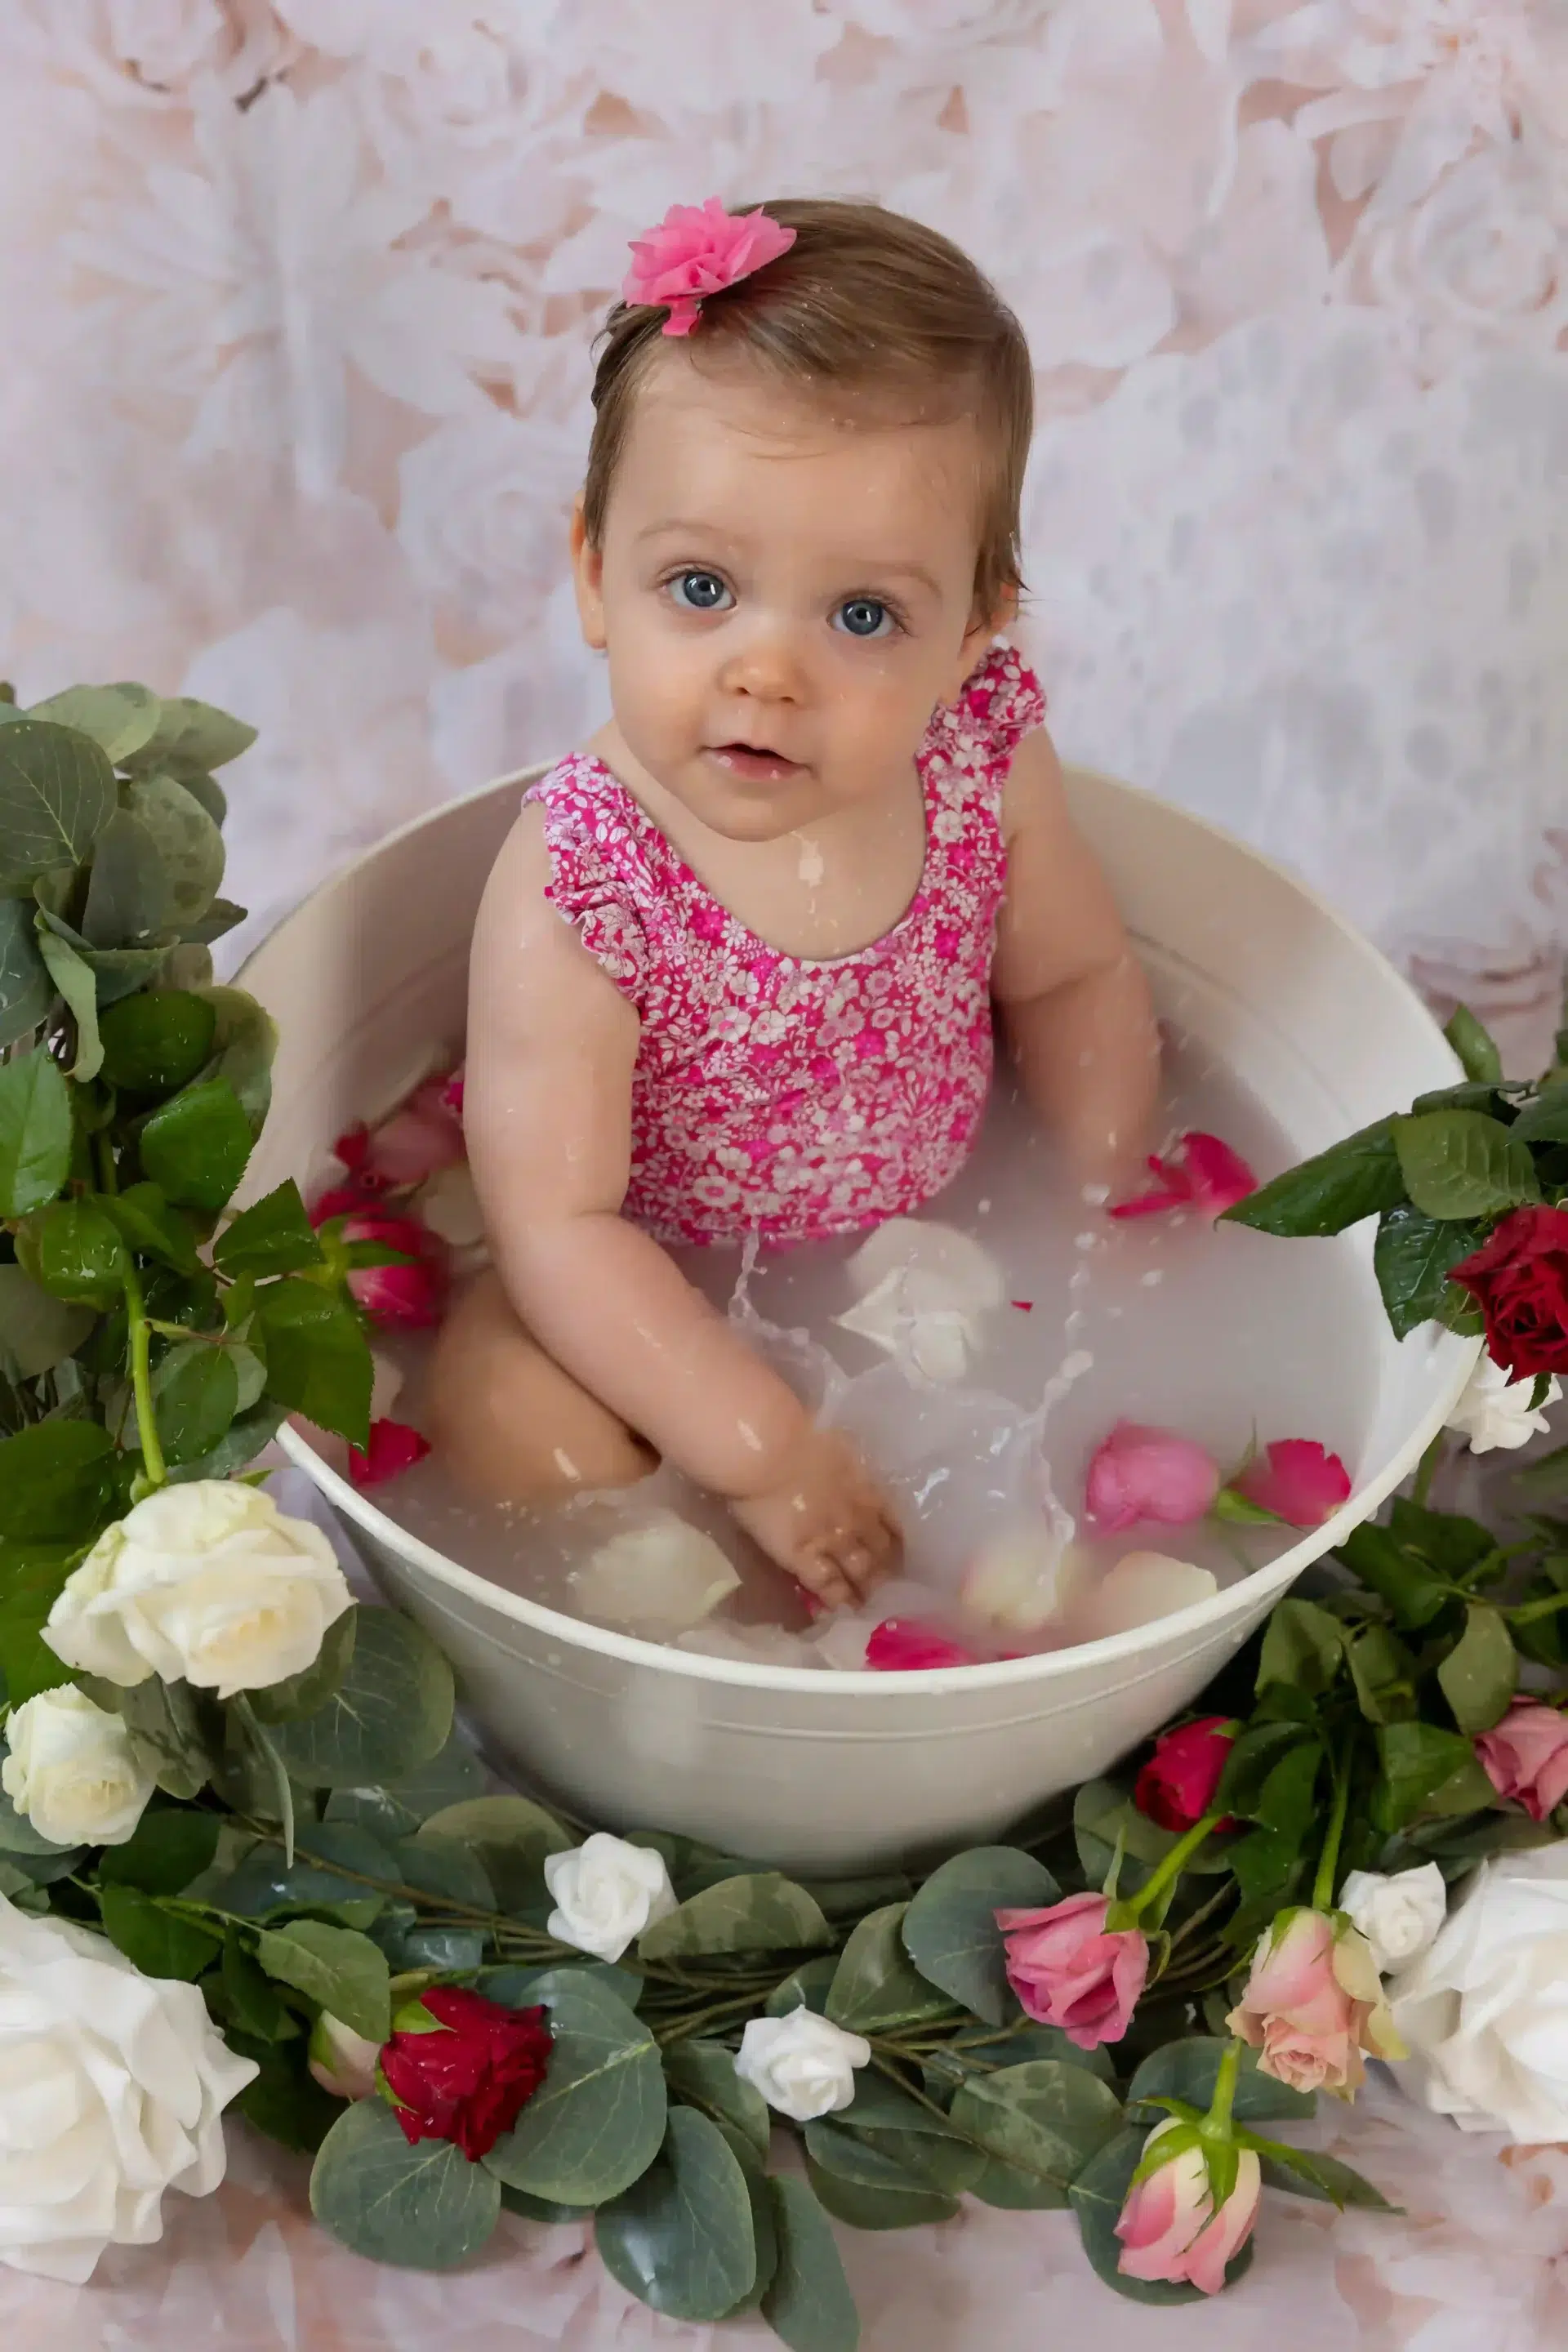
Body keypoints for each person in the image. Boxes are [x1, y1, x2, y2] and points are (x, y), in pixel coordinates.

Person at [429, 196, 1160, 1610]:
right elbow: (561, 1229)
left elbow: (1073, 978)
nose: (767, 673)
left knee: (1023, 1405)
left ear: (973, 631)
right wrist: (762, 1450)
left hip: (927, 1242)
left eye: (864, 616)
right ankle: (654, 1583)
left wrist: (1102, 1203)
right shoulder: (581, 878)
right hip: (635, 1267)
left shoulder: (980, 765)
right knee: (526, 1428)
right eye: (700, 586)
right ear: (593, 574)